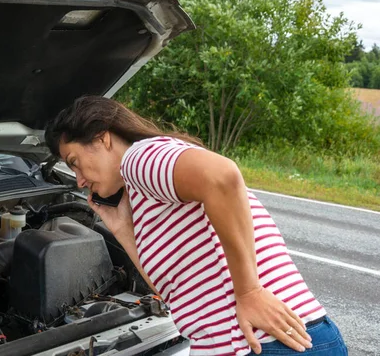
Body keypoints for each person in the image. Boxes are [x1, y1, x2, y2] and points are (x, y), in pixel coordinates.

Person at [45, 96, 348, 356]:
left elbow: (223, 176)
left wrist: (250, 291)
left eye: (74, 161)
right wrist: (122, 227)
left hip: (263, 343)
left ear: (101, 137)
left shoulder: (139, 158)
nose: (80, 180)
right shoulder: (143, 192)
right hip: (263, 341)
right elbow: (173, 292)